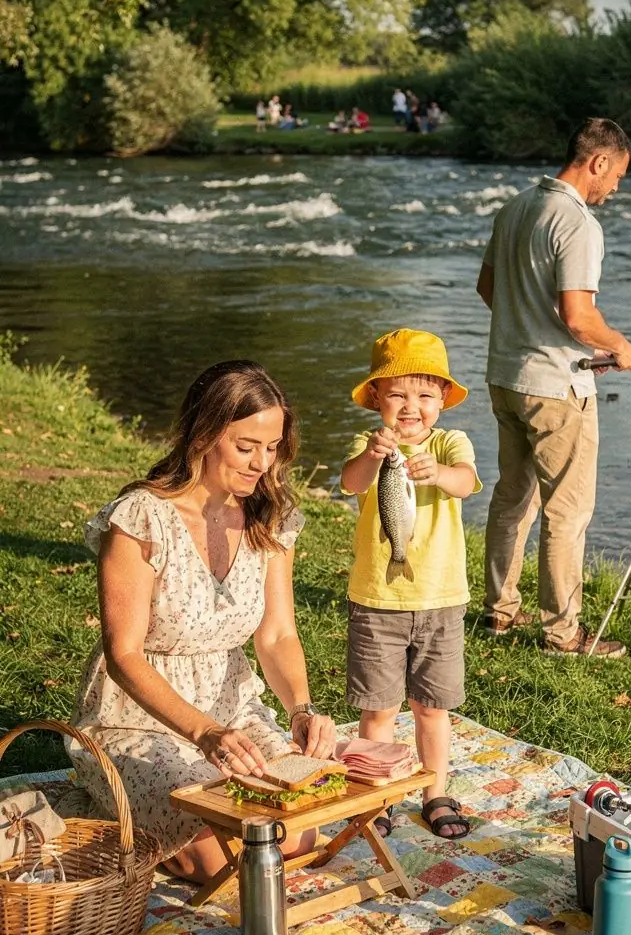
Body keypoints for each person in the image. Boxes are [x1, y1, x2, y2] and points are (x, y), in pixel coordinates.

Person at [67, 360, 338, 883]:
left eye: (273, 446)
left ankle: (145, 818)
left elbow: (278, 634)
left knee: (300, 832)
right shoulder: (141, 518)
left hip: (232, 709)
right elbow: (123, 655)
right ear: (205, 434)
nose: (263, 462)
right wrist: (204, 733)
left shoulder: (270, 518)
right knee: (220, 858)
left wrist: (301, 710)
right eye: (246, 446)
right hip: (135, 717)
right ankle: (112, 803)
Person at [476, 117, 631, 658]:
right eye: (615, 174)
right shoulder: (577, 222)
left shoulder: (515, 207)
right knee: (566, 512)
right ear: (597, 162)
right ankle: (562, 634)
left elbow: (487, 288)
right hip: (555, 388)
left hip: (505, 377)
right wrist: (618, 345)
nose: (615, 187)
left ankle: (499, 612)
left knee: (511, 499)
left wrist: (527, 327)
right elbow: (579, 316)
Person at [340, 329, 481, 840]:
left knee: (433, 708)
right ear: (375, 398)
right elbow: (352, 482)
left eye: (424, 395)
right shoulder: (369, 445)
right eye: (396, 394)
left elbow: (465, 481)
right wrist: (376, 456)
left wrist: (439, 472)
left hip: (441, 599)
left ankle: (435, 791)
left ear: (442, 399)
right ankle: (377, 796)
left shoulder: (450, 442)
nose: (410, 407)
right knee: (378, 709)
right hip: (378, 600)